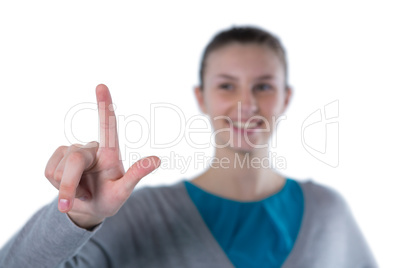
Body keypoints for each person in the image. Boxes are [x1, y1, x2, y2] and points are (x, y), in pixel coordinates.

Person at [0, 26, 377, 268]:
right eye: (226, 85)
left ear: (286, 97)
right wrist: (76, 216)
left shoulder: (329, 214)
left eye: (263, 86)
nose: (246, 103)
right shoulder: (141, 216)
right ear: (201, 97)